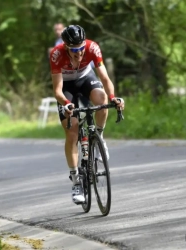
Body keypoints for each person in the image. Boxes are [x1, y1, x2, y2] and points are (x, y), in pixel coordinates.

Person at [49, 25, 124, 204]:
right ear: (66, 46)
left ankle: (99, 137)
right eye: (75, 50)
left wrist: (113, 97)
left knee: (102, 100)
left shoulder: (92, 48)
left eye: (81, 48)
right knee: (72, 130)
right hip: (66, 86)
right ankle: (76, 181)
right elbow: (57, 90)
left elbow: (104, 78)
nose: (79, 53)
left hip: (85, 77)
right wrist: (67, 104)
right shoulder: (57, 54)